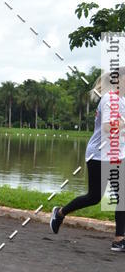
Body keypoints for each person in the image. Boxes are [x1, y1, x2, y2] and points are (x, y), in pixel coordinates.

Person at [50, 69, 125, 251]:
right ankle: (60, 213)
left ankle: (119, 239)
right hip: (99, 155)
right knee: (94, 197)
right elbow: (108, 128)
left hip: (117, 155)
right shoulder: (109, 100)